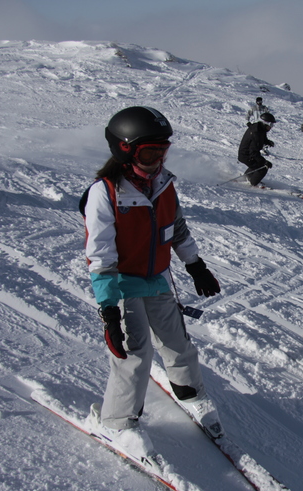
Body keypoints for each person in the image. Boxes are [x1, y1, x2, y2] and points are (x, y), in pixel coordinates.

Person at [82, 106, 223, 458]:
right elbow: (100, 257)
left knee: (178, 342)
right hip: (123, 282)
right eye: (149, 153)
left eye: (163, 151)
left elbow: (175, 229)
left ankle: (190, 393)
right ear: (125, 150)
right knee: (134, 354)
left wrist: (196, 265)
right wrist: (109, 311)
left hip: (157, 279)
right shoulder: (106, 192)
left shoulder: (164, 185)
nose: (158, 160)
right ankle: (117, 422)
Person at [237, 112, 276, 186]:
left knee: (257, 164)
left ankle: (247, 178)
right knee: (263, 167)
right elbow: (253, 152)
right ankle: (253, 183)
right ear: (266, 123)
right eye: (271, 124)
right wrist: (264, 162)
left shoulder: (260, 128)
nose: (271, 127)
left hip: (246, 154)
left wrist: (267, 141)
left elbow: (262, 137)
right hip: (246, 155)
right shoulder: (256, 132)